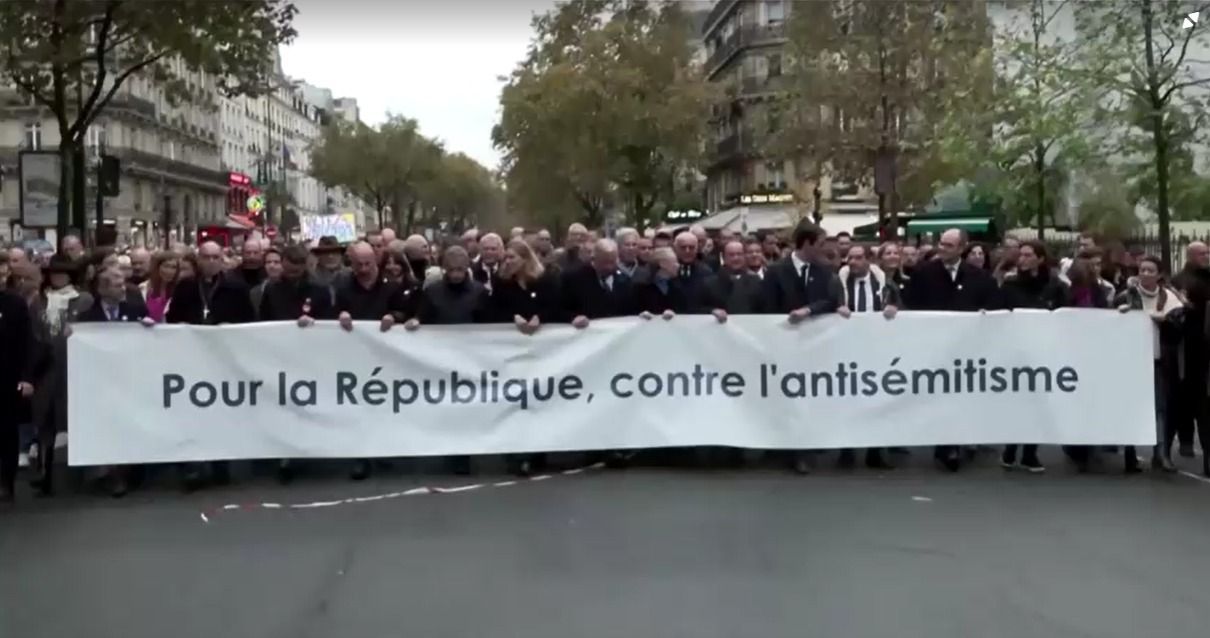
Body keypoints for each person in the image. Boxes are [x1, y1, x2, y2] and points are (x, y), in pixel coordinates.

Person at [907, 228, 998, 472]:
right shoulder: (924, 274)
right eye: (941, 244)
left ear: (961, 248)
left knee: (962, 397)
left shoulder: (979, 277)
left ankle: (957, 442)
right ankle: (944, 444)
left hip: (967, 350)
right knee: (939, 396)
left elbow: (992, 305)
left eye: (948, 245)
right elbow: (911, 306)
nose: (942, 248)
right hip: (934, 349)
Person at [166, 241, 254, 491]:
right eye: (206, 257)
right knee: (192, 410)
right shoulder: (186, 287)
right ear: (198, 260)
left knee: (221, 410)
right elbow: (173, 319)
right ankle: (193, 464)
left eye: (216, 257)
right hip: (192, 357)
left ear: (222, 259)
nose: (211, 262)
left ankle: (220, 462)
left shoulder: (236, 287)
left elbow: (248, 321)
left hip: (222, 358)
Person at [761, 221, 843, 475]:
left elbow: (831, 300)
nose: (823, 250)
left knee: (807, 396)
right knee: (784, 396)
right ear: (806, 243)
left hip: (814, 344)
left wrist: (809, 311)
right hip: (783, 342)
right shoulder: (776, 271)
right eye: (819, 244)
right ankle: (784, 445)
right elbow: (766, 306)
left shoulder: (825, 270)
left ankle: (803, 450)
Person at [336, 242, 419, 481]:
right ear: (351, 264)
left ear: (376, 262)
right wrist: (339, 314)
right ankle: (360, 457)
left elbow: (405, 311)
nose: (363, 269)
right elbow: (330, 314)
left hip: (385, 356)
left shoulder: (391, 288)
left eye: (368, 264)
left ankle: (383, 448)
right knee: (356, 408)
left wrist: (394, 316)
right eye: (358, 264)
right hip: (353, 356)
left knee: (382, 405)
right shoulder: (343, 288)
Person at [480, 239, 560, 477]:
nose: (507, 262)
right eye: (506, 258)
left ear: (525, 259)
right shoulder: (502, 283)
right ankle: (517, 454)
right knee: (515, 402)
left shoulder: (545, 280)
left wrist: (540, 317)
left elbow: (556, 306)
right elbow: (491, 310)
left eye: (512, 257)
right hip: (512, 352)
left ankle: (539, 451)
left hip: (541, 351)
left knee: (538, 400)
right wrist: (512, 316)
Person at [75, 266, 153, 497]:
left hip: (131, 379)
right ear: (103, 289)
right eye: (118, 286)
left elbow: (150, 340)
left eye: (123, 284)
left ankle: (132, 470)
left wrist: (150, 326)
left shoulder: (136, 309)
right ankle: (111, 474)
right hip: (102, 383)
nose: (124, 289)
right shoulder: (88, 317)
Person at [998, 241, 1066, 472]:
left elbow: (1064, 314)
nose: (1022, 259)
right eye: (1021, 255)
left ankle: (1029, 452)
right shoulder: (1010, 284)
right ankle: (1010, 446)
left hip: (1043, 351)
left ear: (1040, 258)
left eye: (1028, 255)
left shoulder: (1055, 286)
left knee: (1039, 402)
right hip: (1016, 352)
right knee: (1017, 401)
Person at [1116, 255, 1187, 474]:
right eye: (1142, 270)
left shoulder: (1170, 299)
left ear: (1159, 275)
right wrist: (1123, 315)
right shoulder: (1125, 297)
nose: (1145, 274)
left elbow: (1179, 326)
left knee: (1161, 408)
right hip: (1133, 361)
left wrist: (1162, 320)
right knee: (1130, 407)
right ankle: (1130, 454)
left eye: (1150, 270)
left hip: (1160, 361)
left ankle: (1161, 453)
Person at [834, 245, 900, 470]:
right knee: (847, 400)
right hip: (847, 351)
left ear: (868, 260)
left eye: (858, 258)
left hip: (876, 351)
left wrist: (894, 306)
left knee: (877, 401)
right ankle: (847, 450)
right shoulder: (838, 283)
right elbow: (827, 304)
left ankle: (875, 451)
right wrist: (837, 307)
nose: (852, 262)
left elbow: (899, 302)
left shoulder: (884, 282)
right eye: (849, 258)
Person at [1172, 241, 1210, 461]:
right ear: (1190, 256)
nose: (1206, 256)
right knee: (1186, 394)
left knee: (1204, 398)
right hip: (1188, 345)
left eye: (1208, 253)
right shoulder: (1180, 280)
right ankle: (1185, 438)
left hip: (1206, 347)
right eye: (1202, 253)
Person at [0, 280, 32, 504]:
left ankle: (5, 482)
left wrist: (26, 377)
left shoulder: (14, 303)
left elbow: (26, 343)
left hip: (7, 377)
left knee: (6, 431)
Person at [705, 240, 765, 316]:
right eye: (731, 255)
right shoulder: (710, 283)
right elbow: (698, 308)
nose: (736, 258)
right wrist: (712, 311)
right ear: (724, 257)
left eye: (739, 254)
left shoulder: (756, 281)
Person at [139, 251, 180, 323]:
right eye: (166, 266)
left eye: (174, 267)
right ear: (157, 267)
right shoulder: (142, 289)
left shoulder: (179, 292)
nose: (170, 271)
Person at [250, 248, 283, 317]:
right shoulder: (255, 292)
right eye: (268, 262)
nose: (272, 266)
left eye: (276, 262)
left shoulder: (290, 288)